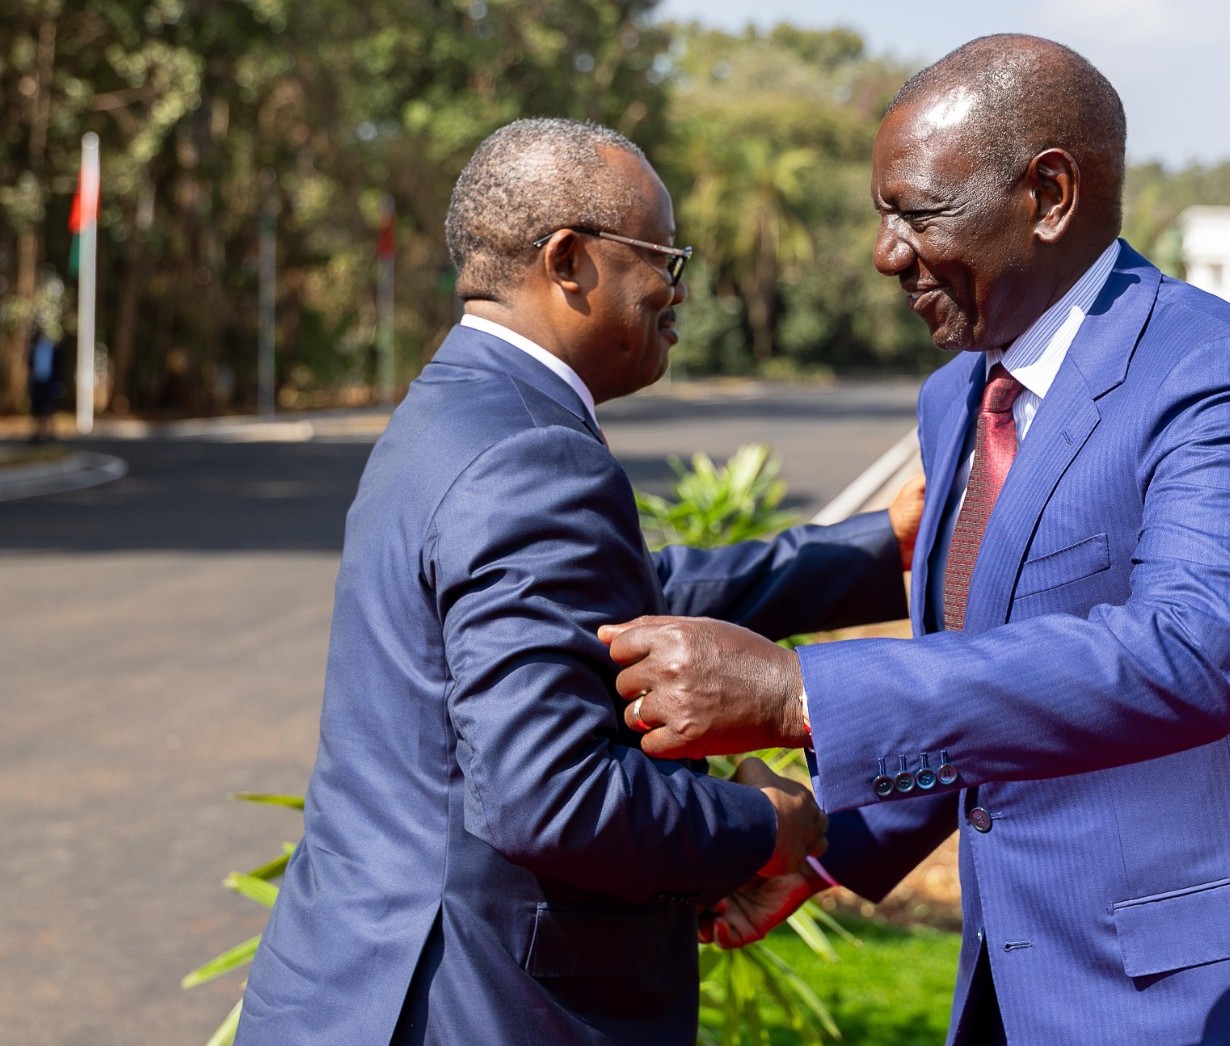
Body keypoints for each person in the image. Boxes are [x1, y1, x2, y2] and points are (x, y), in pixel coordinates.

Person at [602, 36, 1230, 1045]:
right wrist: (820, 850)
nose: (887, 254)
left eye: (916, 212)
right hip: (1021, 989)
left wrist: (802, 694)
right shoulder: (958, 399)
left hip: (1213, 999)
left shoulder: (1213, 372)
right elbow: (992, 693)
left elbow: (1191, 655)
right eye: (882, 215)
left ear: (1048, 194)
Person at [236, 118, 919, 1046]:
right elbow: (551, 797)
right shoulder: (535, 452)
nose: (675, 289)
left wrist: (887, 546)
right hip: (473, 1009)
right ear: (568, 261)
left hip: (354, 985)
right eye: (661, 256)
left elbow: (629, 598)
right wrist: (763, 824)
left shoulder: (451, 406)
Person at [26, 324, 62, 443]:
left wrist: (57, 383)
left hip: (49, 383)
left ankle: (49, 433)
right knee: (36, 409)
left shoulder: (53, 349)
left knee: (48, 409)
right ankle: (37, 433)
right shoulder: (33, 349)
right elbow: (30, 367)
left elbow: (58, 367)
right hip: (37, 382)